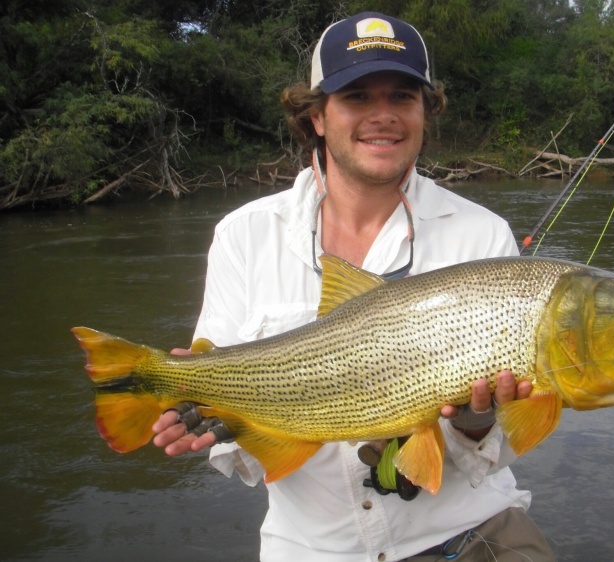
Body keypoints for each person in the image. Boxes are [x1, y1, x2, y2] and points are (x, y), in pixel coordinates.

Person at [152, 11, 555, 562]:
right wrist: (221, 424)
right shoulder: (244, 235)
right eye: (358, 98)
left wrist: (477, 420)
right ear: (317, 116)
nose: (383, 116)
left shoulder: (483, 234)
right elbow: (241, 457)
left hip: (473, 533)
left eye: (403, 98)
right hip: (315, 550)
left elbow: (499, 450)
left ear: (424, 113)